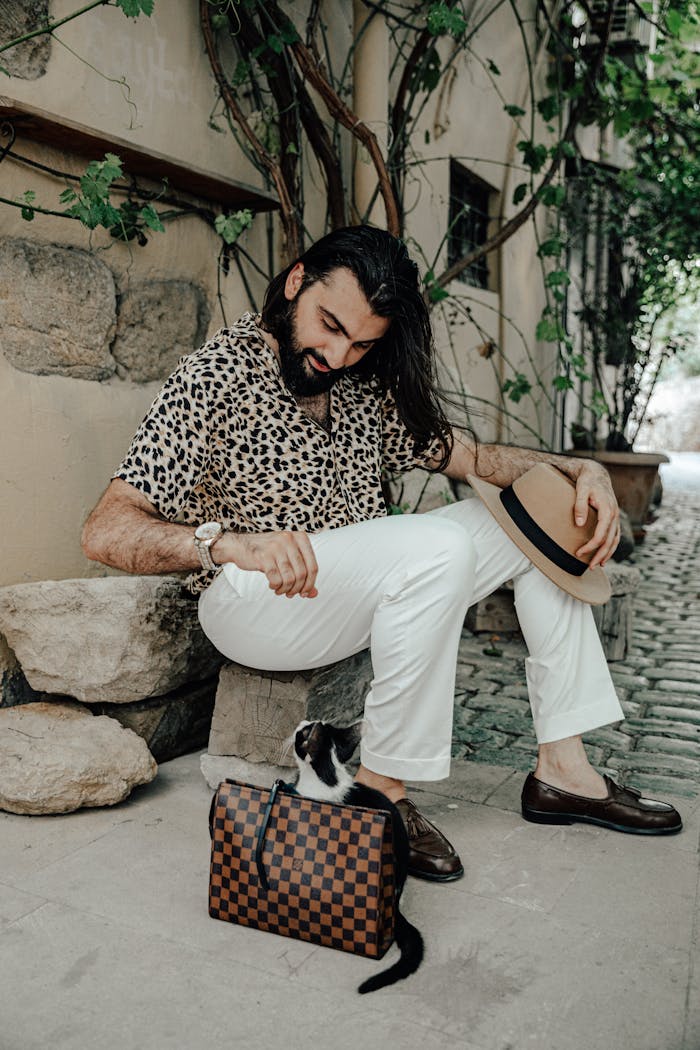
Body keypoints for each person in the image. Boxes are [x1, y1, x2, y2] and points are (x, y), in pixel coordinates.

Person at [82, 226, 681, 882]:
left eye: (362, 341)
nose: (338, 354)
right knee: (444, 543)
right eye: (328, 325)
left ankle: (563, 770)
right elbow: (106, 530)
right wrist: (226, 544)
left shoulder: (362, 382)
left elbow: (473, 459)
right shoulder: (219, 372)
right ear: (295, 283)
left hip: (356, 591)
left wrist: (575, 470)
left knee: (535, 524)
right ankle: (381, 791)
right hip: (256, 603)